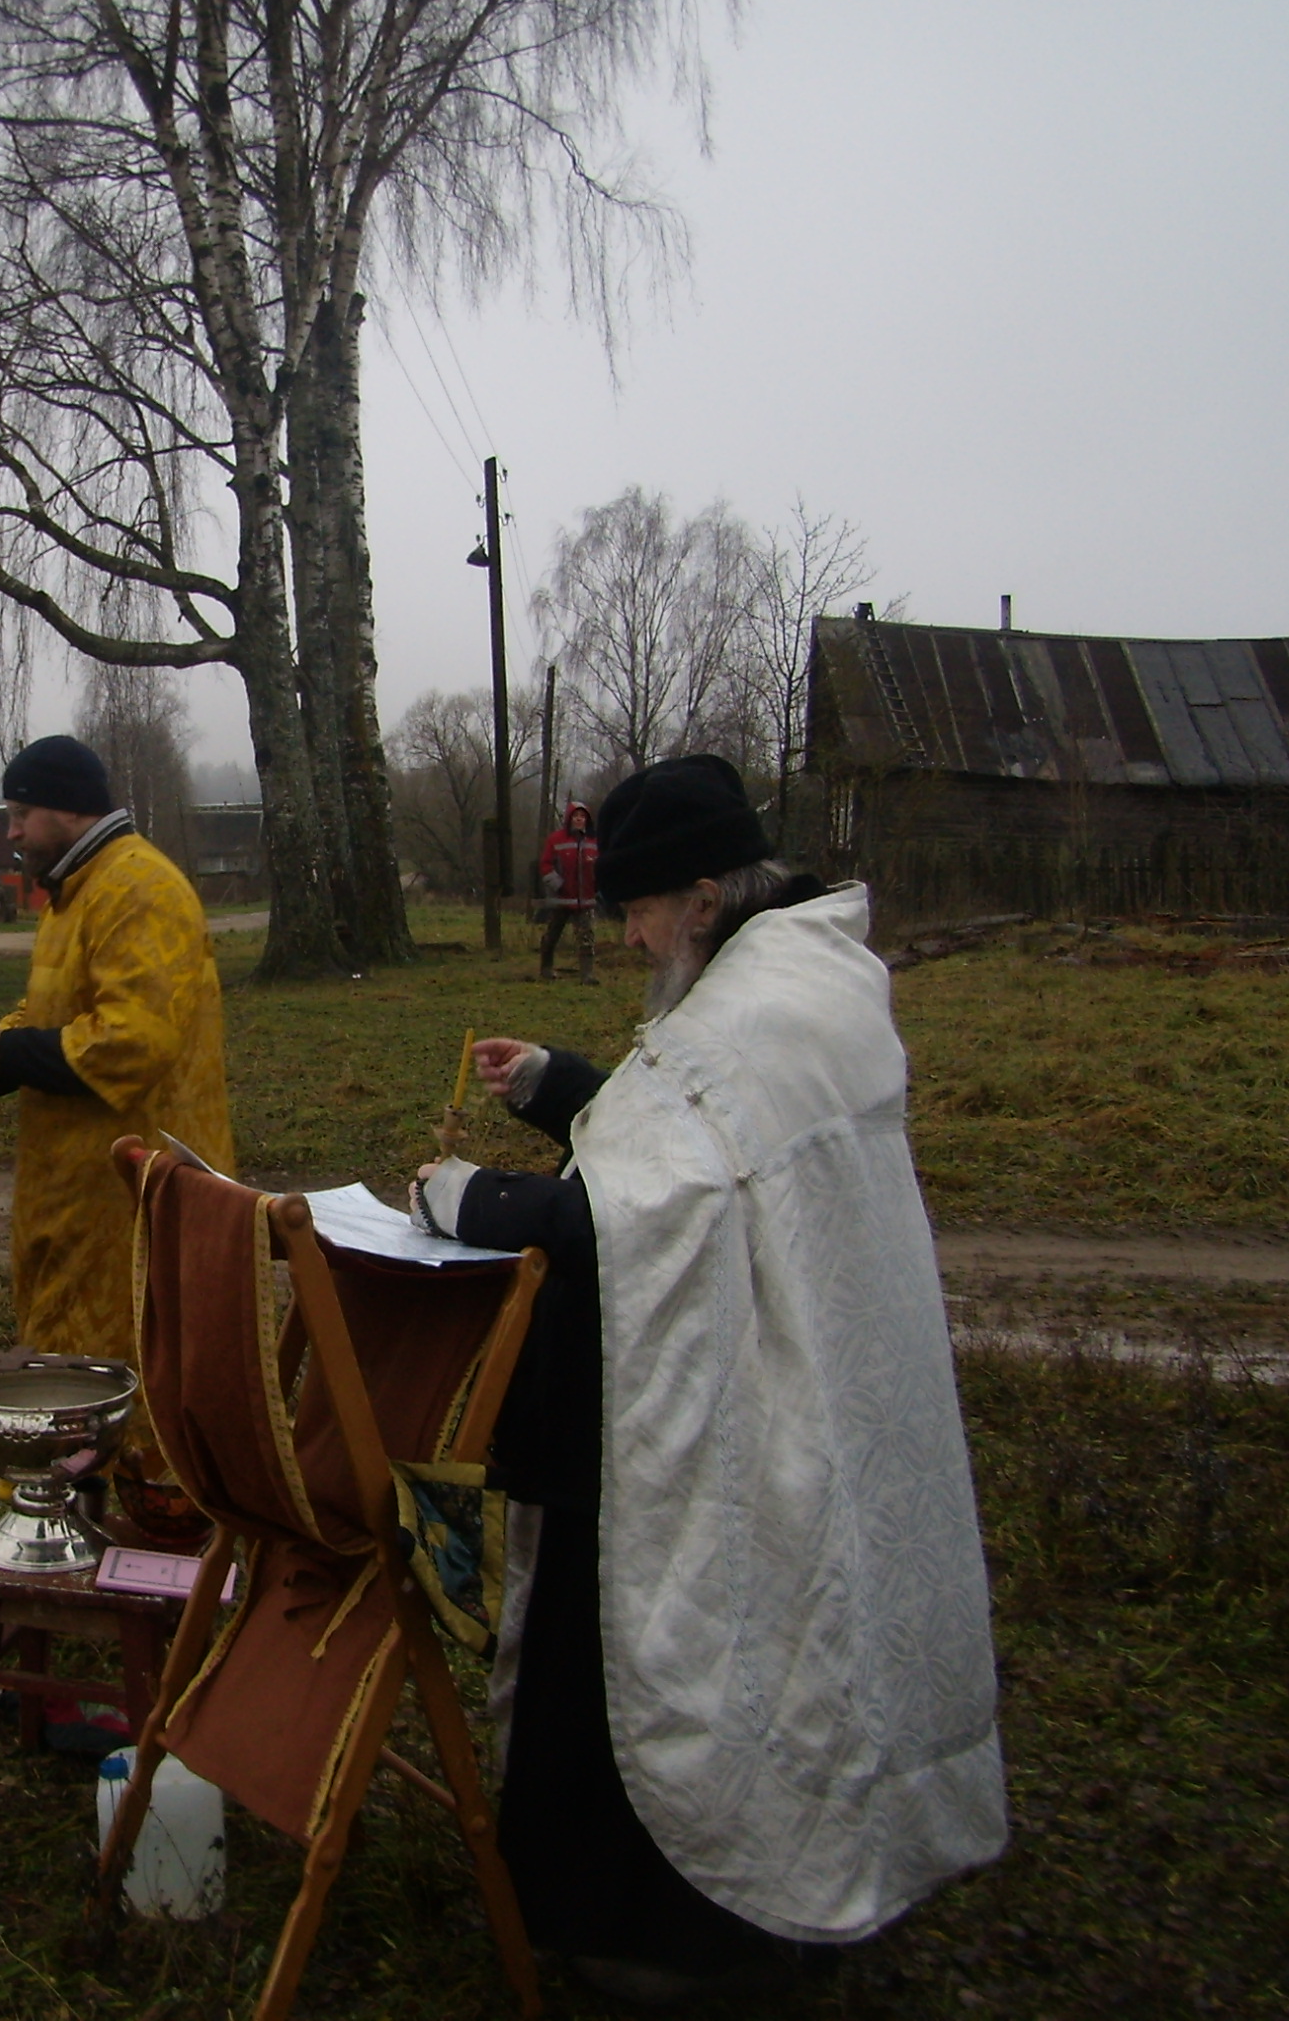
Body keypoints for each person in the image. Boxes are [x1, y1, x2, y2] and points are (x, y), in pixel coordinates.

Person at [409, 754, 1005, 2007]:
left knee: (683, 1650)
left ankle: (664, 1934)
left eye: (632, 911)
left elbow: (645, 1208)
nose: (626, 939)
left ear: (696, 897)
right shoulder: (786, 973)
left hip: (727, 1432)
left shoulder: (758, 1009)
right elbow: (694, 1149)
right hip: (763, 1384)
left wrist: (472, 1200)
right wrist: (560, 1089)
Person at [0, 734, 234, 1363]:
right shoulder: (74, 892)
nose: (11, 832)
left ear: (69, 808)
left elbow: (130, 1043)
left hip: (134, 1193)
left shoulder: (138, 889)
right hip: (77, 1191)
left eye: (20, 815)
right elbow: (47, 1019)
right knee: (66, 1367)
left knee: (126, 1375)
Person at [536, 800, 599, 983]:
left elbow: (602, 866)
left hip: (585, 899)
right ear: (569, 819)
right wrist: (557, 884)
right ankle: (546, 968)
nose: (579, 819)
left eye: (582, 817)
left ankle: (587, 974)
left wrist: (598, 884)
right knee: (552, 935)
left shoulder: (595, 842)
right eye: (576, 816)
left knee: (586, 937)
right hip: (561, 899)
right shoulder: (556, 840)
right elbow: (545, 865)